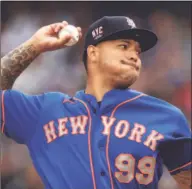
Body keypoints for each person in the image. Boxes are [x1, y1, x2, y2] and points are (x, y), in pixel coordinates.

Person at [1, 16, 191, 189]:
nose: (135, 56)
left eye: (138, 51)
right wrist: (35, 46)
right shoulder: (44, 111)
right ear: (93, 53)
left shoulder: (166, 117)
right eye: (124, 46)